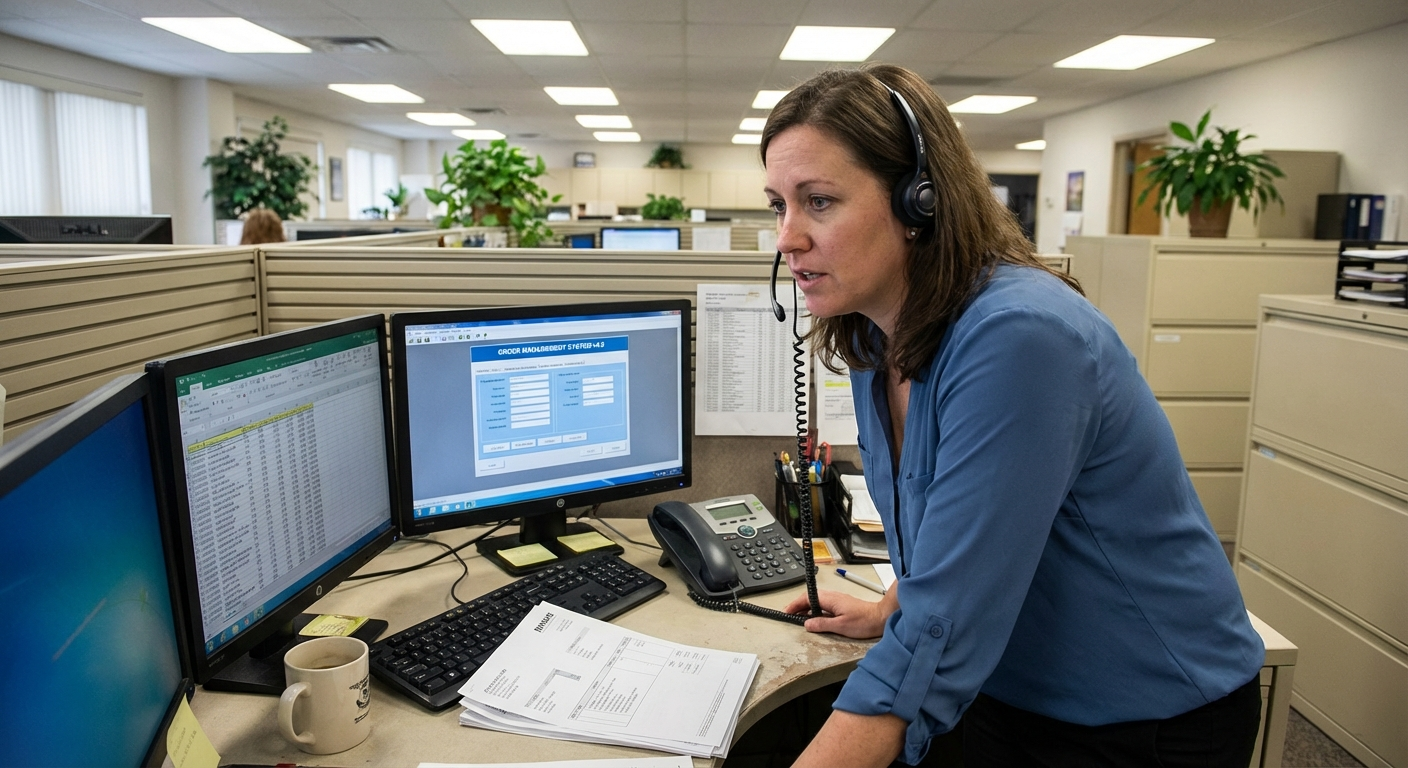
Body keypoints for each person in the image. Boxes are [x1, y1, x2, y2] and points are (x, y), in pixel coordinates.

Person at [769, 64, 1265, 768]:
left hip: (1144, 713)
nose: (787, 237)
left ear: (919, 202)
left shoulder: (1020, 338)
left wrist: (922, 623)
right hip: (1012, 685)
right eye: (777, 205)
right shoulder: (875, 338)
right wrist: (894, 607)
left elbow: (954, 611)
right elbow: (965, 534)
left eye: (818, 202)